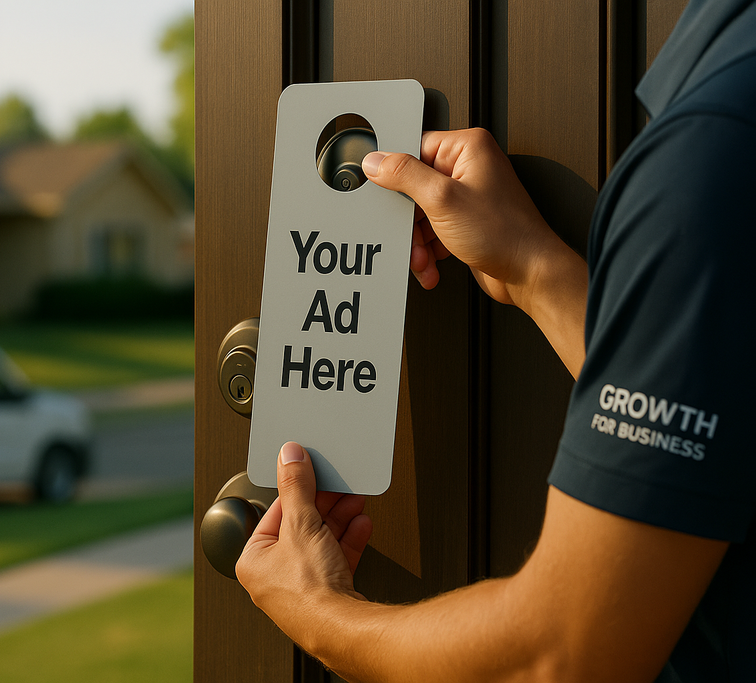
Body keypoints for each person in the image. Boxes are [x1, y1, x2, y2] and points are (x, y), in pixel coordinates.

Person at [234, 1, 756, 681]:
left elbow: (560, 654)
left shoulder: (714, 154)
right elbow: (716, 416)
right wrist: (536, 272)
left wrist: (316, 611)